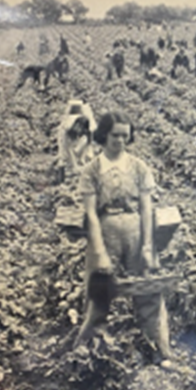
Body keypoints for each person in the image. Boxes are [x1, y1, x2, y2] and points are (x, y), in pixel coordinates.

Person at [73, 112, 173, 365]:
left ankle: (160, 350)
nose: (120, 140)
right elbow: (91, 215)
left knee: (149, 291)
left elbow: (146, 209)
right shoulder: (92, 170)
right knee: (99, 294)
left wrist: (148, 247)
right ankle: (86, 352)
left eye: (125, 136)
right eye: (115, 135)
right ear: (104, 135)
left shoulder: (139, 167)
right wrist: (99, 252)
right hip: (106, 232)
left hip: (136, 230)